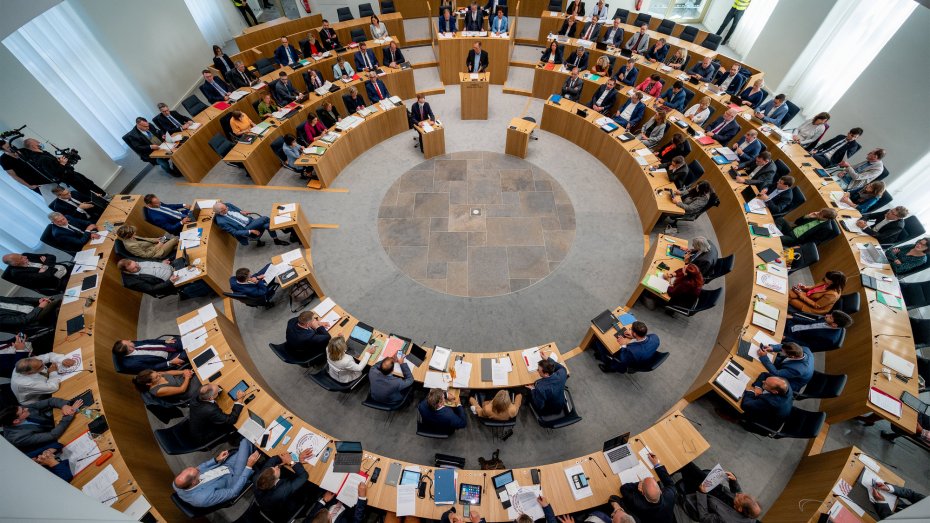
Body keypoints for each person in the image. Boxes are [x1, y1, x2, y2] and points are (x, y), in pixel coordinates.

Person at [173, 438, 260, 508]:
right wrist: (248, 467)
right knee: (246, 442)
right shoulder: (203, 498)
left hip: (225, 465)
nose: (199, 469)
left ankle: (258, 448)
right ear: (194, 482)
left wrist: (216, 459)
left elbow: (201, 467)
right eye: (198, 472)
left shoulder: (177, 483)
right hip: (234, 477)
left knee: (247, 445)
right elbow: (234, 492)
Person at [677, 461, 762, 522]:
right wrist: (734, 481)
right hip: (713, 488)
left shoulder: (725, 520)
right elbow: (740, 494)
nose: (739, 494)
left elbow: (704, 518)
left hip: (701, 499)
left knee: (687, 468)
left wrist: (702, 493)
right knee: (689, 466)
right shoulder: (748, 510)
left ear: (740, 509)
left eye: (740, 498)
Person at [20, 138, 107, 197]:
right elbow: (55, 173)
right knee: (86, 190)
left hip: (71, 172)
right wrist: (62, 164)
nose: (39, 142)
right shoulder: (41, 159)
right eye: (37, 142)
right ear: (33, 146)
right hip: (68, 177)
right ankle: (104, 203)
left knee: (89, 183)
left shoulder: (44, 153)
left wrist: (60, 161)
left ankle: (105, 195)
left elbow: (55, 164)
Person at [254, 449, 317, 521]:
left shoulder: (259, 477)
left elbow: (272, 460)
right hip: (281, 512)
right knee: (311, 486)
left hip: (265, 502)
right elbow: (304, 476)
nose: (277, 467)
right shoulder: (283, 490)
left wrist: (284, 458)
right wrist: (291, 462)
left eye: (273, 467)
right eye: (276, 470)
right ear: (275, 482)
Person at [0, 398, 82, 452]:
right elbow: (52, 435)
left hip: (55, 424)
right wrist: (69, 414)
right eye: (23, 411)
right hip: (55, 441)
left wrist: (64, 406)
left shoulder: (21, 410)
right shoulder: (17, 437)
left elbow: (49, 401)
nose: (26, 408)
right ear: (16, 421)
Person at [620, 452, 676, 523]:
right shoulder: (670, 494)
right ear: (660, 490)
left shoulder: (638, 504)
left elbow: (624, 489)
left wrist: (638, 484)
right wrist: (657, 464)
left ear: (642, 492)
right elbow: (670, 483)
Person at [117, 258, 210, 299]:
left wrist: (161, 262)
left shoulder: (135, 262)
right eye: (135, 268)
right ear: (128, 271)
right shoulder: (132, 282)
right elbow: (152, 289)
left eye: (136, 264)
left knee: (195, 262)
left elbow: (151, 262)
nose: (138, 266)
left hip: (171, 267)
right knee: (199, 276)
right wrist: (170, 281)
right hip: (169, 282)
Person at [595, 321, 659, 373]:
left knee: (599, 343)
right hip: (645, 355)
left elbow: (623, 359)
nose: (630, 330)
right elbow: (642, 337)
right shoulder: (655, 337)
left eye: (631, 329)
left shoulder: (632, 351)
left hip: (628, 361)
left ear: (635, 333)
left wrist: (623, 345)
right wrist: (633, 337)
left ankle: (608, 365)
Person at [214, 201, 288, 246]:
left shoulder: (227, 205)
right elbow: (235, 232)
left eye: (226, 207)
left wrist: (240, 211)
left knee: (267, 225)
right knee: (265, 218)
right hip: (245, 228)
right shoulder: (221, 222)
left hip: (250, 221)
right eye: (225, 209)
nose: (227, 208)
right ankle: (282, 228)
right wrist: (250, 231)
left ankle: (276, 240)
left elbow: (233, 207)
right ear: (220, 212)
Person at [1, 252, 69, 294]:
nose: (25, 256)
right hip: (58, 280)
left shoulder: (26, 255)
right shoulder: (17, 273)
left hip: (63, 268)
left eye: (20, 255)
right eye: (21, 258)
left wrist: (44, 266)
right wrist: (46, 263)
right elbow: (45, 277)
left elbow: (51, 256)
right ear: (15, 263)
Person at [112, 337, 187, 374]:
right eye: (129, 342)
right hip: (168, 359)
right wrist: (170, 362)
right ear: (130, 349)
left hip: (165, 346)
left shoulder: (133, 344)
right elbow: (152, 368)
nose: (129, 340)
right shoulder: (133, 364)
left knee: (187, 339)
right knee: (188, 353)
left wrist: (164, 341)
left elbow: (147, 341)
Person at [782, 310, 852, 349]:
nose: (826, 315)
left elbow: (807, 345)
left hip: (792, 337)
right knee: (779, 313)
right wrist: (792, 318)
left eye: (830, 317)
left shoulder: (829, 339)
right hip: (793, 326)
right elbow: (811, 322)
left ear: (834, 325)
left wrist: (786, 338)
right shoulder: (827, 320)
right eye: (830, 314)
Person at [133, 368, 200, 405]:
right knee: (202, 377)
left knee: (199, 367)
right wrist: (187, 377)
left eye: (156, 372)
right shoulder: (157, 391)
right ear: (149, 384)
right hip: (187, 390)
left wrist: (183, 372)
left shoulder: (156, 374)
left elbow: (169, 372)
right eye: (157, 377)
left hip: (182, 378)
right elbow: (182, 389)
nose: (159, 374)